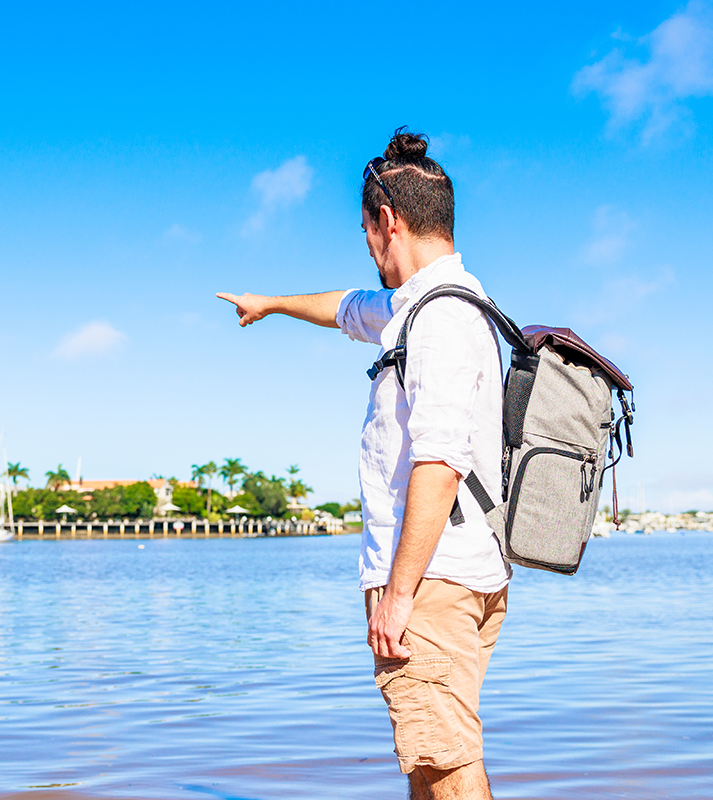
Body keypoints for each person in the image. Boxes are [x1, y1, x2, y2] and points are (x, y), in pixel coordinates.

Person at [217, 128, 510, 800]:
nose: (369, 248)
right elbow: (346, 307)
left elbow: (438, 464)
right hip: (456, 571)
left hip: (430, 580)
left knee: (446, 761)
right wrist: (271, 304)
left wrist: (400, 593)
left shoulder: (436, 322)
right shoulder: (436, 305)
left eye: (365, 232)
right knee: (431, 757)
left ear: (388, 221)